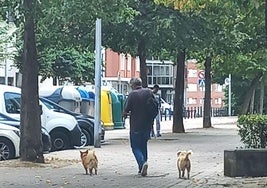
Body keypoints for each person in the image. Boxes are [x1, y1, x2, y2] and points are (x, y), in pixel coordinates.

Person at [123, 77, 153, 177]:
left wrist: (125, 114)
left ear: (133, 85)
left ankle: (142, 163)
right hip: (147, 125)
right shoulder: (149, 92)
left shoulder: (132, 94)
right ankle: (143, 166)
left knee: (135, 146)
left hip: (135, 125)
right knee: (143, 145)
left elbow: (126, 110)